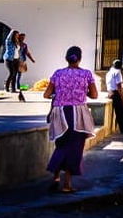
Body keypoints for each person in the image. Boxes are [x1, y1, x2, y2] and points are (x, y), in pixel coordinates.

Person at [42, 45, 99, 193]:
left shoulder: (58, 73)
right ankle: (67, 184)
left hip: (59, 113)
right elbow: (94, 95)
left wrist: (61, 93)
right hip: (77, 114)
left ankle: (55, 178)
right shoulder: (86, 74)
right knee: (74, 147)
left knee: (61, 144)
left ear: (66, 58)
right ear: (79, 59)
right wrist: (82, 91)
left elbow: (46, 94)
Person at [15, 32, 37, 101]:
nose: (23, 39)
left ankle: (17, 86)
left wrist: (32, 59)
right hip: (16, 60)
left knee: (19, 74)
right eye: (21, 37)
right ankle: (15, 86)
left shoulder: (24, 45)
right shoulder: (16, 44)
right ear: (19, 37)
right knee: (14, 74)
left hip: (22, 61)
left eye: (24, 38)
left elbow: (27, 53)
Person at [3, 29, 22, 93]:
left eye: (18, 35)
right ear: (13, 35)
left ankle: (13, 89)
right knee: (11, 73)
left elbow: (17, 51)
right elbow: (7, 38)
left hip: (16, 60)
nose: (17, 36)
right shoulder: (9, 42)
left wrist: (20, 59)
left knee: (15, 74)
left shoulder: (17, 42)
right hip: (9, 59)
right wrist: (12, 31)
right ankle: (6, 87)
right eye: (16, 35)